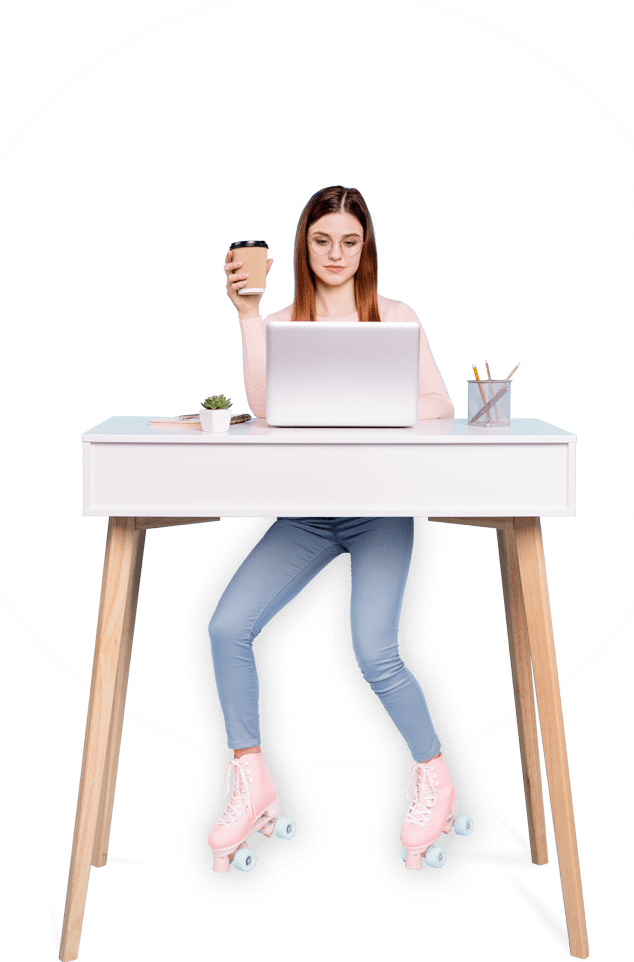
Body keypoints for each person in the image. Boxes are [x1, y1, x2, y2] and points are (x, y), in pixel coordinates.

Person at [206, 186, 459, 874]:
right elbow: (261, 406)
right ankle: (252, 775)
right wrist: (248, 314)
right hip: (308, 516)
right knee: (228, 627)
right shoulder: (283, 322)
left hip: (380, 512)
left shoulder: (394, 317)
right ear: (303, 245)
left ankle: (435, 777)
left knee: (375, 652)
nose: (336, 255)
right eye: (323, 241)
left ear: (365, 245)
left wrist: (374, 405)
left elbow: (439, 404)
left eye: (349, 241)